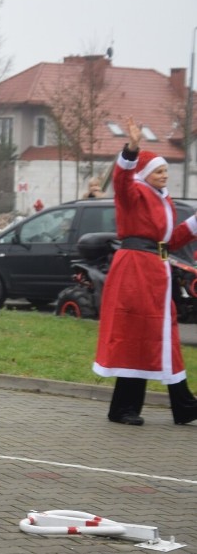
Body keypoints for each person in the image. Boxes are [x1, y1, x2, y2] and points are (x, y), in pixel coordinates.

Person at [93, 116, 197, 426]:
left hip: (156, 272)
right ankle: (140, 407)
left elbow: (170, 239)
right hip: (136, 272)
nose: (165, 176)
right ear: (146, 174)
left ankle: (177, 405)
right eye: (160, 171)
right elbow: (122, 178)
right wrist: (132, 149)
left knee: (158, 335)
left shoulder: (163, 201)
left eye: (167, 171)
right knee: (139, 334)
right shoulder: (133, 194)